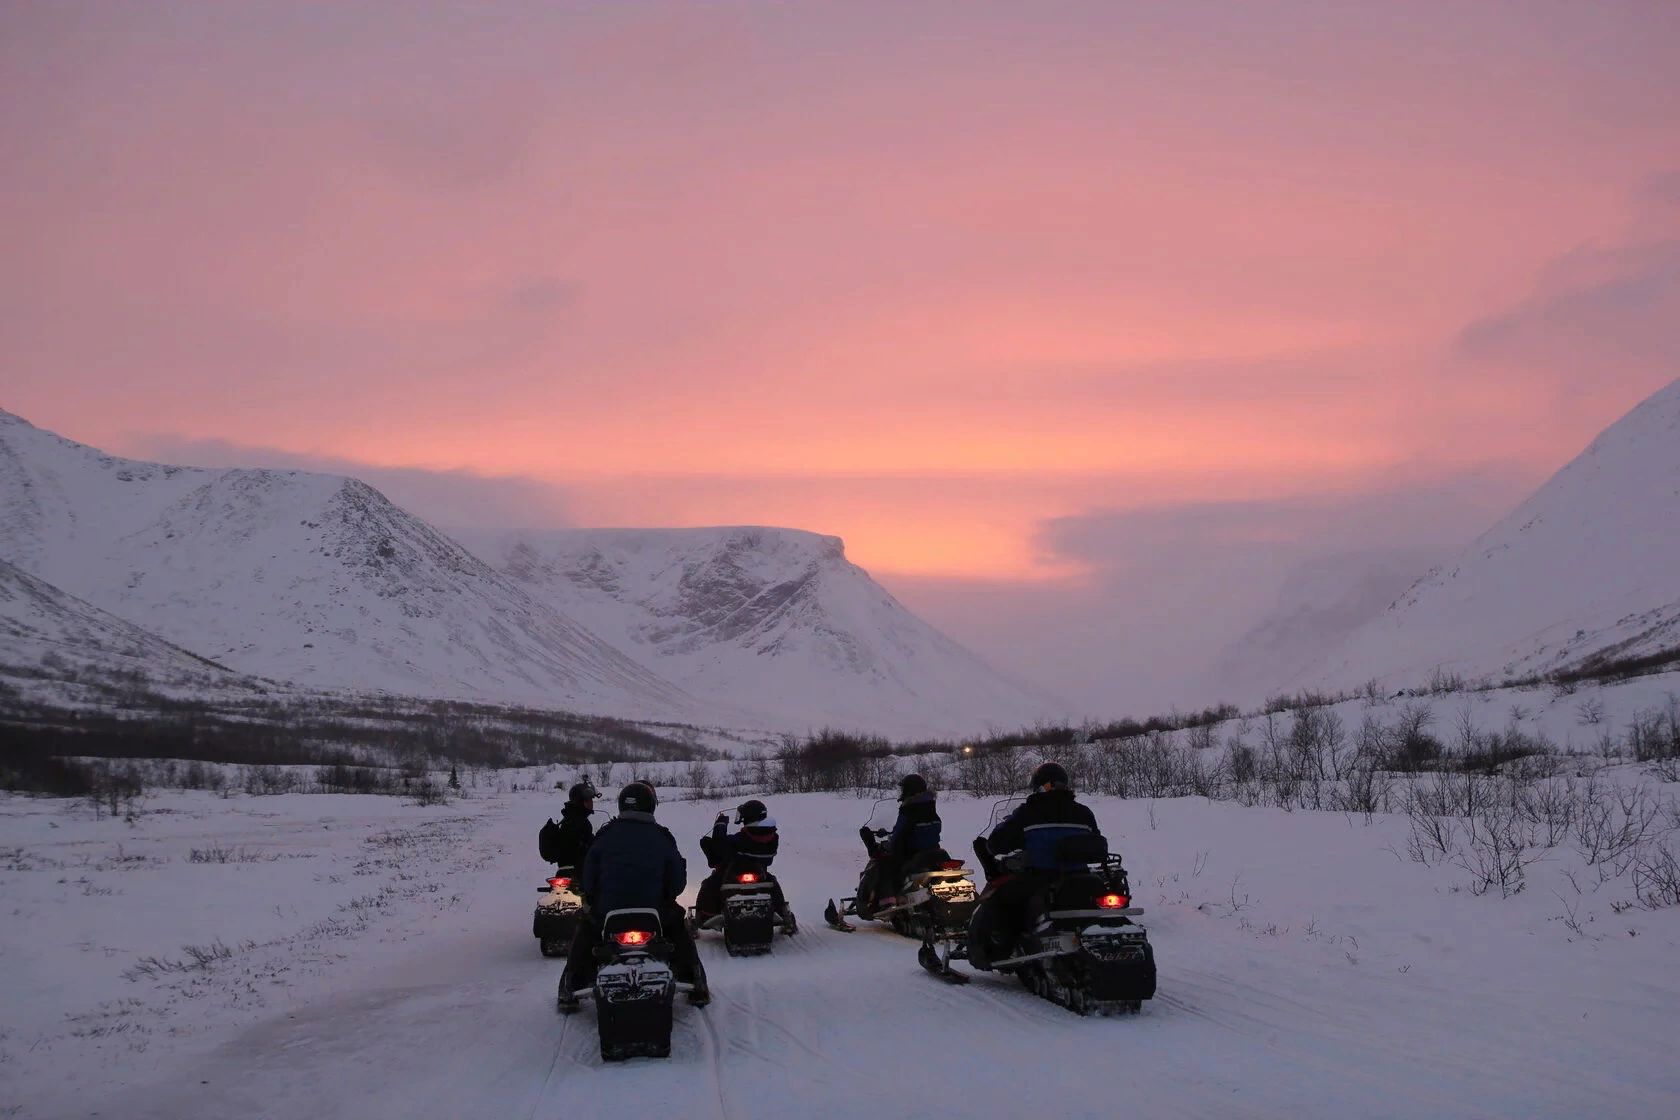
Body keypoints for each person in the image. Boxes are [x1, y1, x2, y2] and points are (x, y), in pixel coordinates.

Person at [558, 782, 709, 1009]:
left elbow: (588, 880)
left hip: (608, 913)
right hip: (654, 912)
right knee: (679, 928)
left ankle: (571, 984)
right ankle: (695, 980)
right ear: (650, 806)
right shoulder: (662, 837)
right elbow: (678, 883)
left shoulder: (604, 836)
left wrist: (594, 896)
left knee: (586, 928)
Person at [966, 762, 1103, 970]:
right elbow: (1095, 839)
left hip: (1041, 878)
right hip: (1081, 877)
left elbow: (996, 843)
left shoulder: (1028, 812)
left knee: (999, 898)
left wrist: (1008, 844)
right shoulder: (1084, 813)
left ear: (1039, 786)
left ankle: (998, 948)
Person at [694, 800, 792, 928]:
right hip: (759, 873)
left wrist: (720, 825)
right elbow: (768, 859)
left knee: (710, 884)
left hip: (733, 874)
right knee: (772, 883)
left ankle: (705, 915)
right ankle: (783, 912)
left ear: (747, 818)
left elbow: (719, 845)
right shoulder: (772, 838)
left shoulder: (741, 839)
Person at [860, 773, 943, 910]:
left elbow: (899, 835)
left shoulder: (909, 810)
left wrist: (888, 845)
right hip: (934, 852)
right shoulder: (930, 809)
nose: (901, 793)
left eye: (903, 789)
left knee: (884, 863)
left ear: (909, 790)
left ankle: (888, 900)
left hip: (911, 854)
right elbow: (913, 831)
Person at [538, 781, 598, 871]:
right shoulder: (577, 820)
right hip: (578, 870)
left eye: (591, 799)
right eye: (587, 800)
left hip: (566, 869)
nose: (591, 803)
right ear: (579, 802)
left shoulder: (572, 816)